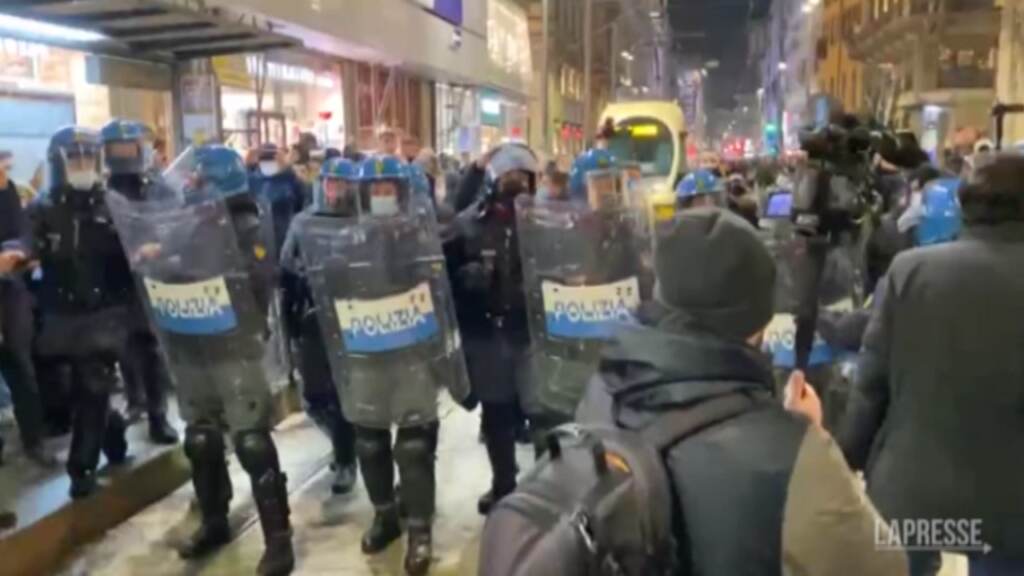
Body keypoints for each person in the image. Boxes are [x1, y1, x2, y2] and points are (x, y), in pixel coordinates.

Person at [575, 207, 908, 576]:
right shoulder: (791, 454)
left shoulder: (601, 391)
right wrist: (813, 438)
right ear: (759, 323)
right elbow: (884, 567)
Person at [839, 156, 1024, 576]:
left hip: (914, 496)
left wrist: (847, 457)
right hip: (1013, 510)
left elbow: (870, 386)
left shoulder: (910, 270)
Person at [121, 145, 293, 575]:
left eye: (198, 178)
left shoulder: (246, 225)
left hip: (234, 348)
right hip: (192, 340)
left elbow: (253, 282)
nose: (190, 185)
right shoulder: (190, 223)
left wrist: (182, 266)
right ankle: (214, 518)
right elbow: (175, 263)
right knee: (201, 438)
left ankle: (278, 539)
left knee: (251, 441)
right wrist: (156, 260)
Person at [325, 155, 471, 575]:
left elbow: (441, 294)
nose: (381, 196)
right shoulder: (345, 239)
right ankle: (385, 515)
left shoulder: (424, 238)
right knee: (369, 442)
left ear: (403, 193)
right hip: (366, 348)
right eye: (375, 190)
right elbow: (331, 290)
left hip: (410, 353)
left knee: (413, 445)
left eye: (388, 189)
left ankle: (420, 530)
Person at [29, 127, 132, 497]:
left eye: (89, 157)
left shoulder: (112, 204)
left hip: (103, 312)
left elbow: (132, 249)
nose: (83, 164)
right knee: (71, 393)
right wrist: (22, 255)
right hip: (58, 314)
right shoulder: (42, 208)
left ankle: (82, 468)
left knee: (91, 385)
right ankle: (113, 429)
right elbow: (25, 241)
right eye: (75, 158)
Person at [444, 143, 539, 516]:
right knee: (496, 414)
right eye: (508, 175)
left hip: (531, 332)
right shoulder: (469, 224)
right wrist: (464, 278)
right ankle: (504, 484)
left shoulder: (546, 221)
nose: (515, 182)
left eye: (523, 176)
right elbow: (444, 276)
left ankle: (548, 488)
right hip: (488, 332)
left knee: (542, 413)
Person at [279, 158, 359, 496]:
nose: (336, 190)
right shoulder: (304, 222)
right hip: (313, 315)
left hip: (353, 316)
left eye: (342, 184)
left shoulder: (363, 220)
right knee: (314, 396)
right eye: (331, 183)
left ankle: (345, 458)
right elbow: (286, 265)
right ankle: (346, 441)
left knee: (342, 393)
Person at [99, 119, 178, 444]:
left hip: (150, 276)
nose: (122, 153)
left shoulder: (155, 186)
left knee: (150, 348)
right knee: (124, 348)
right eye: (115, 148)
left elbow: (174, 221)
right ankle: (135, 402)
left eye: (127, 146)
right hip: (113, 278)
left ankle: (159, 416)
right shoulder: (100, 191)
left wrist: (158, 246)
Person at [0, 149, 51, 467]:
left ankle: (34, 440)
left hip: (10, 290)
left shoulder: (10, 192)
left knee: (20, 365)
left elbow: (23, 234)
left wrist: (17, 253)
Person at [253, 143, 308, 255]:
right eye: (264, 158)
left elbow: (302, 204)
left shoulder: (291, 180)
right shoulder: (254, 180)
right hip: (261, 239)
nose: (268, 162)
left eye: (272, 158)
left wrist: (287, 171)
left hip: (286, 237)